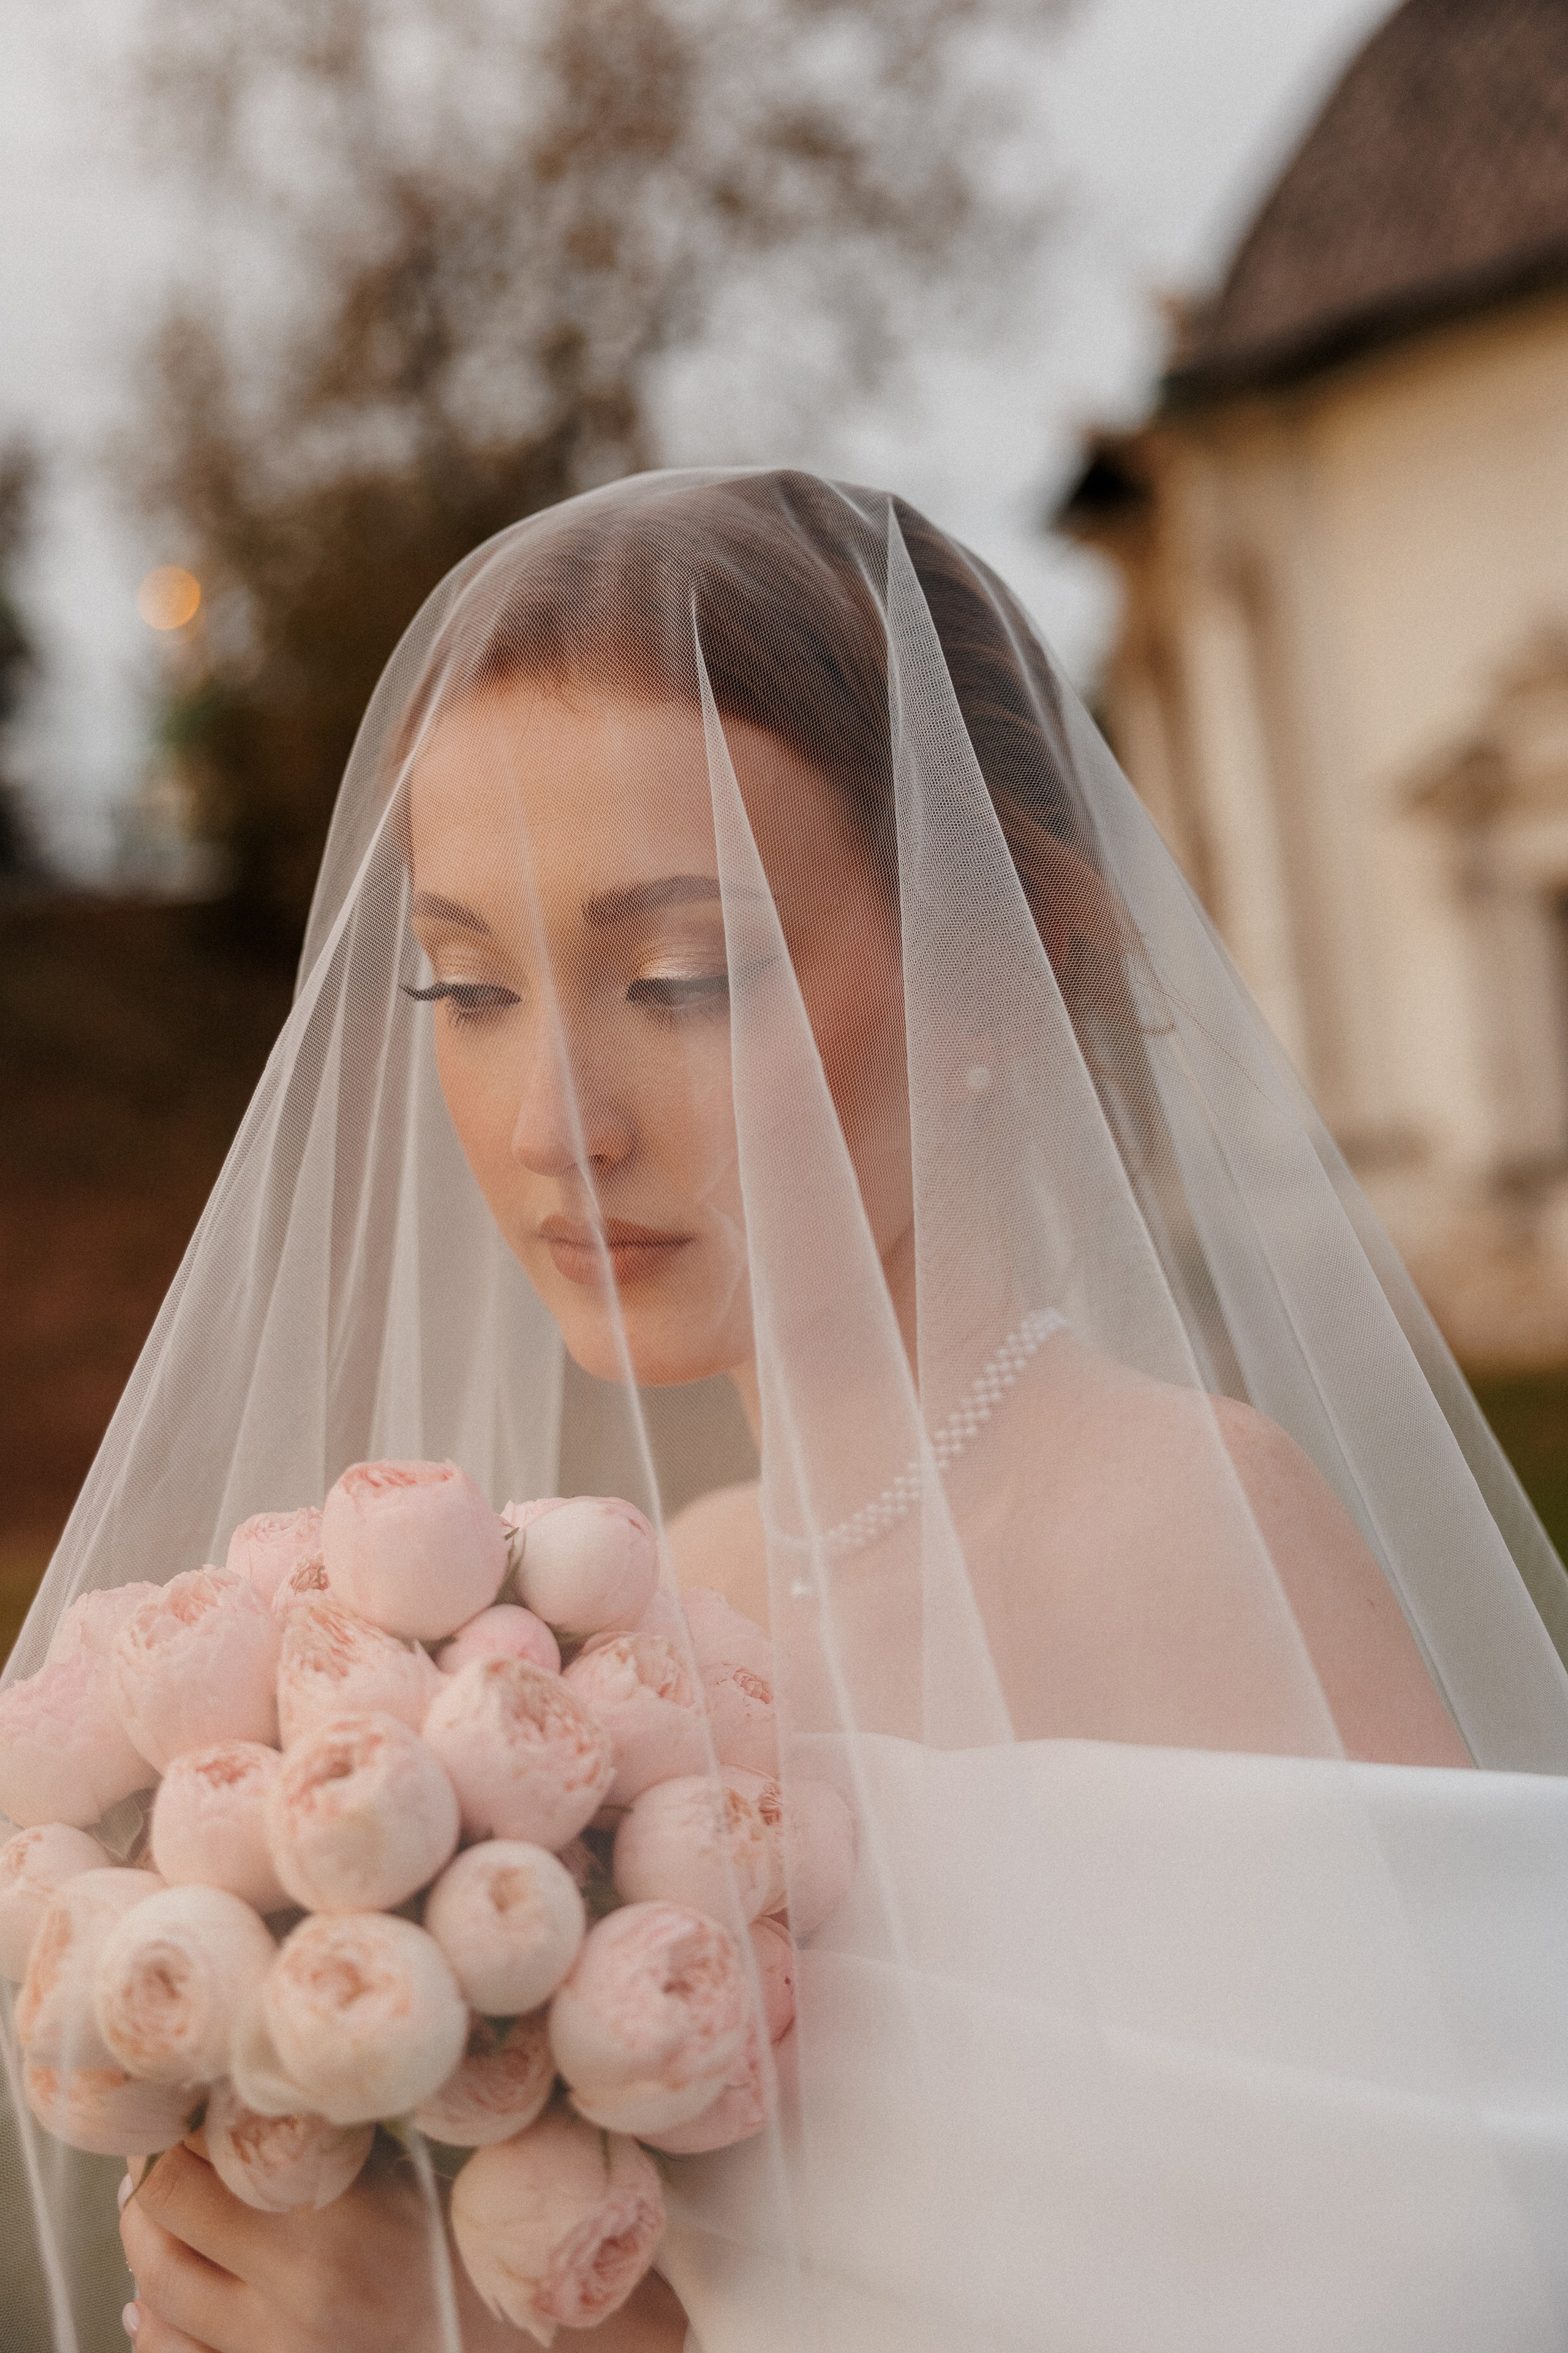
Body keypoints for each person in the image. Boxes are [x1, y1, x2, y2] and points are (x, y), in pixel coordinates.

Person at [10, 470, 1568, 2351]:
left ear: (1002, 968)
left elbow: (1467, 2295)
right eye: (468, 983)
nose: (548, 1125)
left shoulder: (1177, 1527)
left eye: (680, 975)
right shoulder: (617, 1642)